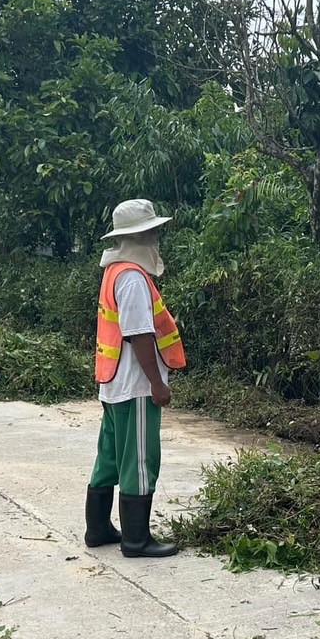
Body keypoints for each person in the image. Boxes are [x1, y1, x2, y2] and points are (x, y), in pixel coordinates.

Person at [85, 198, 187, 558]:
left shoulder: (115, 271)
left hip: (114, 383)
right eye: (154, 232)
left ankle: (97, 530)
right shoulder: (131, 278)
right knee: (140, 460)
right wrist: (157, 385)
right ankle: (136, 540)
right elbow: (139, 334)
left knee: (110, 457)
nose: (157, 239)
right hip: (136, 386)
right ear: (140, 236)